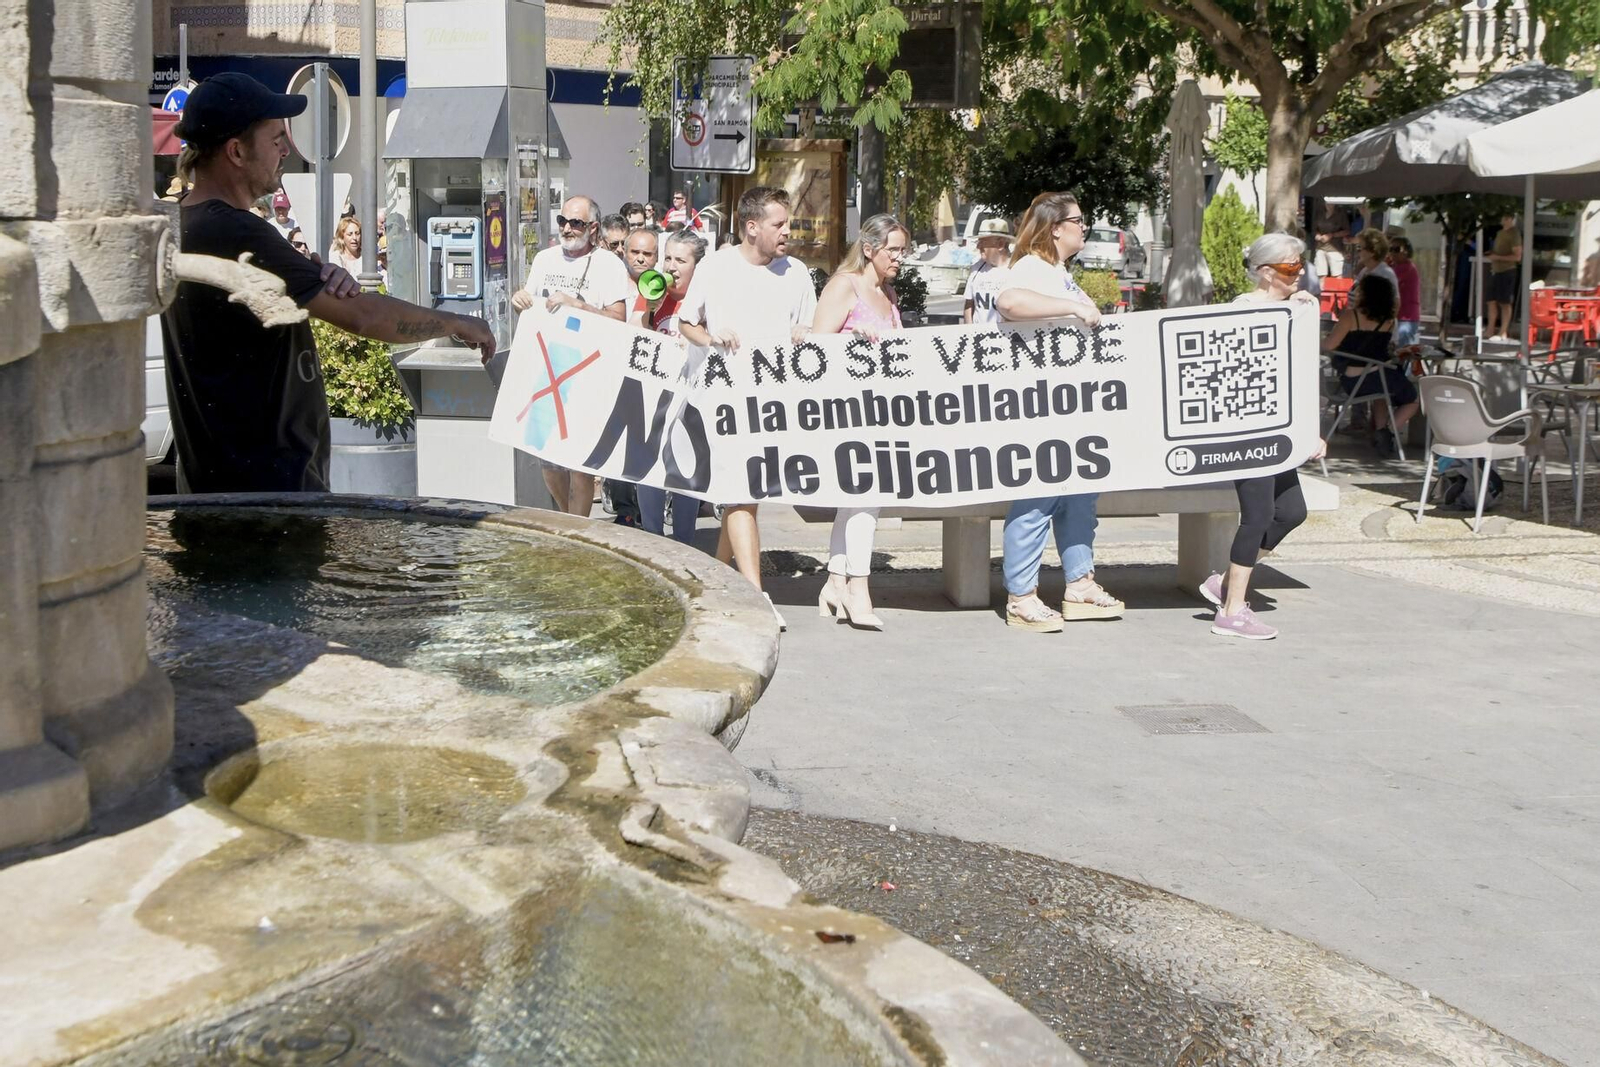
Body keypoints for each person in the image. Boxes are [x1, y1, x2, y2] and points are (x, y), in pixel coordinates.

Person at [161, 72, 494, 494]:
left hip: (216, 487)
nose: (286, 149)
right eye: (276, 138)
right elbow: (363, 316)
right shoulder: (237, 232)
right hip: (269, 494)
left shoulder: (181, 223)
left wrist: (311, 281)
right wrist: (457, 323)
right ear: (236, 151)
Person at [678, 186, 817, 627]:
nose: (787, 232)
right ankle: (755, 597)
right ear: (752, 227)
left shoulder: (796, 273)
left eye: (787, 223)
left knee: (748, 497)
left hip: (772, 402)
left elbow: (812, 326)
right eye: (779, 224)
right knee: (741, 491)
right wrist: (711, 337)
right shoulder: (716, 267)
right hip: (723, 399)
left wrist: (804, 332)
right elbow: (686, 321)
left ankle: (717, 580)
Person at [994, 191, 1119, 632]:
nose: (1084, 228)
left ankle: (1080, 583)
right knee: (1037, 499)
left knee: (1079, 497)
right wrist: (1073, 306)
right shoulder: (1029, 268)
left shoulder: (1059, 272)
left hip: (1070, 409)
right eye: (1079, 221)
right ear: (1055, 228)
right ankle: (1021, 595)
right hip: (1036, 409)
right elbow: (1009, 305)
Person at [1199, 232, 1327, 641]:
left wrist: (1310, 430)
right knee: (1256, 517)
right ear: (1267, 272)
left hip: (1279, 431)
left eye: (1300, 264)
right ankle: (1232, 611)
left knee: (1291, 512)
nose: (1300, 272)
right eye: (1292, 267)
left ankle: (1225, 584)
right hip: (1248, 430)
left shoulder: (1293, 307)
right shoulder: (1243, 309)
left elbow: (1298, 374)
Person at [810, 214, 910, 631]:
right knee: (866, 497)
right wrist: (851, 344)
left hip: (880, 412)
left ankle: (835, 582)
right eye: (893, 250)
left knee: (855, 500)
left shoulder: (886, 293)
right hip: (845, 412)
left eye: (904, 251)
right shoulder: (844, 286)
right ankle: (858, 588)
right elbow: (814, 348)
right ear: (869, 249)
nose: (899, 259)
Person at [512, 194, 632, 516]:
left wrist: (578, 305)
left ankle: (576, 529)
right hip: (547, 368)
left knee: (580, 465)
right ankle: (570, 523)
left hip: (587, 373)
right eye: (562, 221)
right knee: (548, 461)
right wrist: (521, 298)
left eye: (575, 223)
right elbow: (531, 303)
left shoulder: (609, 265)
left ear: (593, 228)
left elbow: (618, 319)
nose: (567, 228)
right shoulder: (544, 259)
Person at [630, 230, 708, 545]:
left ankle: (685, 542)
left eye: (681, 260)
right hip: (654, 397)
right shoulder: (652, 289)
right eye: (668, 258)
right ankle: (653, 540)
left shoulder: (705, 297)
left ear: (697, 267)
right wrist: (650, 307)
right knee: (649, 470)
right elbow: (633, 332)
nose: (671, 267)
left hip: (691, 398)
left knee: (686, 470)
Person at [1323, 272, 1418, 457]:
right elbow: (1383, 350)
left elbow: (1329, 345)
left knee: (1380, 394)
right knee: (1413, 400)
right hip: (1377, 376)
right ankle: (1386, 432)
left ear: (1365, 294)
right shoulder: (1389, 321)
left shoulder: (1351, 316)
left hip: (1352, 380)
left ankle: (1382, 433)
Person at [962, 217, 1013, 325]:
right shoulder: (976, 269)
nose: (978, 246)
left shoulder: (1015, 270)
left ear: (1000, 244)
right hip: (979, 337)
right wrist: (969, 331)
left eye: (983, 242)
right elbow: (969, 304)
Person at [1487, 213, 1522, 339]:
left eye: (1507, 218)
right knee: (1491, 300)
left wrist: (1498, 257)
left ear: (1512, 219)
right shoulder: (1500, 233)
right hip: (1495, 270)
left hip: (1507, 271)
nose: (1504, 221)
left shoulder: (1514, 233)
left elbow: (1517, 256)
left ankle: (1503, 331)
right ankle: (1490, 329)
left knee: (1504, 302)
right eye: (1503, 218)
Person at [1388, 235, 1422, 348]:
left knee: (1402, 355)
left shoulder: (1406, 267)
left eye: (1396, 249)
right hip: (1398, 317)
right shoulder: (1394, 267)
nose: (1393, 253)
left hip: (1406, 318)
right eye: (1390, 249)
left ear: (1406, 251)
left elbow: (1388, 282)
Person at [1351, 229, 1397, 298]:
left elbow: (1395, 304)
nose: (1357, 251)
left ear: (1372, 251)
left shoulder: (1385, 273)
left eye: (1359, 247)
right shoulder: (1364, 271)